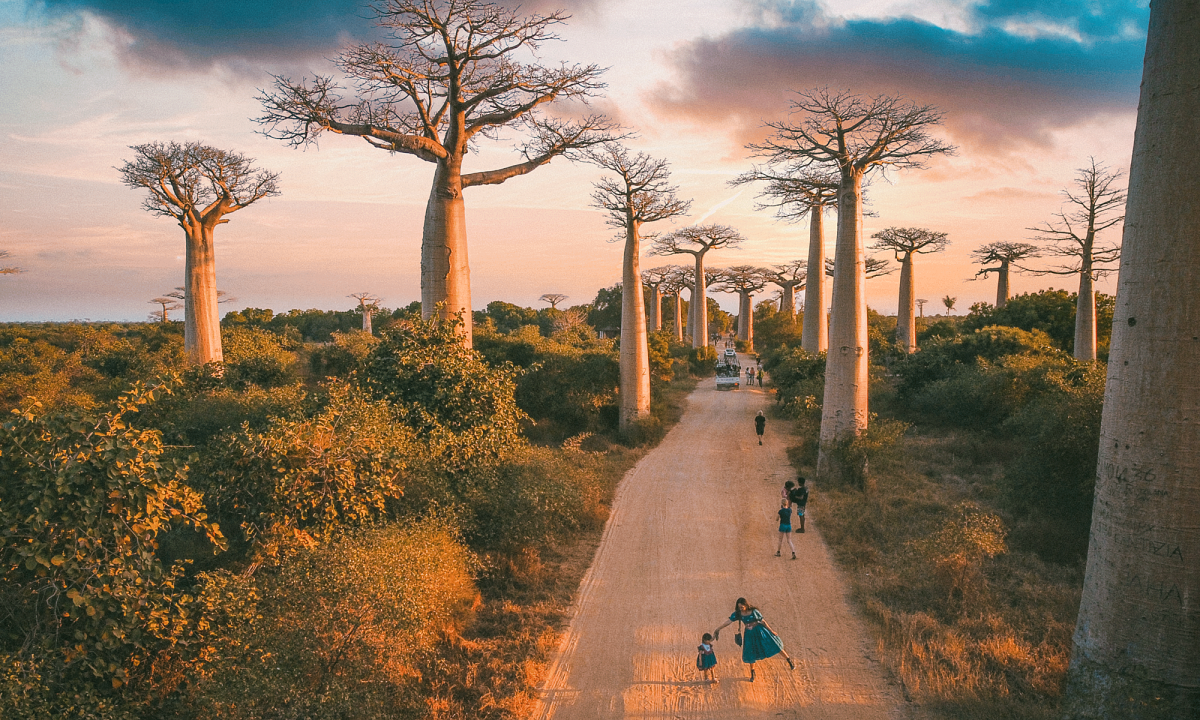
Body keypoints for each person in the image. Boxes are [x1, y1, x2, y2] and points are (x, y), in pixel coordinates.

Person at [712, 598, 795, 682]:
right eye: (739, 607)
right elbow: (728, 622)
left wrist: (771, 631)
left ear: (746, 605)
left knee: (775, 645)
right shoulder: (738, 614)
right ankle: (752, 672)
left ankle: (789, 660)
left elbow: (763, 622)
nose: (740, 609)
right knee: (751, 652)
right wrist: (718, 628)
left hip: (759, 632)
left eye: (742, 607)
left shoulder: (754, 612)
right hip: (749, 634)